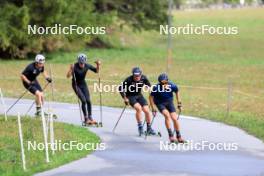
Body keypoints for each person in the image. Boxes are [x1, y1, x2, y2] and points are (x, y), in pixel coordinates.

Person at [119, 67, 156, 136]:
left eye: (138, 75)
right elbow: (120, 88)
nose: (137, 77)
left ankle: (149, 128)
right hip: (130, 96)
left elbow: (149, 85)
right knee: (138, 108)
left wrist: (148, 87)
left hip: (139, 96)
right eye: (135, 76)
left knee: (147, 110)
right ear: (133, 75)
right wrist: (124, 98)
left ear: (141, 74)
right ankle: (140, 127)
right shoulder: (129, 79)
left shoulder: (143, 78)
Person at [149, 73, 185, 143]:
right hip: (160, 103)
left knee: (174, 118)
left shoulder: (172, 85)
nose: (164, 84)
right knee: (167, 115)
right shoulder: (156, 87)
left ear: (167, 81)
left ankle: (179, 136)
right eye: (162, 83)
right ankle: (171, 135)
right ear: (159, 82)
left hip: (169, 102)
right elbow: (150, 97)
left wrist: (179, 103)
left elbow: (177, 92)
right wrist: (153, 108)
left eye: (165, 82)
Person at [67, 53, 100, 125]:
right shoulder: (74, 66)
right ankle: (86, 119)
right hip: (76, 84)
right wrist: (70, 69)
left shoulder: (87, 65)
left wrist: (98, 65)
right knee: (83, 101)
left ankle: (90, 118)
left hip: (83, 84)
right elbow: (68, 76)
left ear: (85, 61)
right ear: (78, 61)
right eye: (80, 63)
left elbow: (96, 71)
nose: (82, 65)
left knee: (88, 100)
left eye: (83, 63)